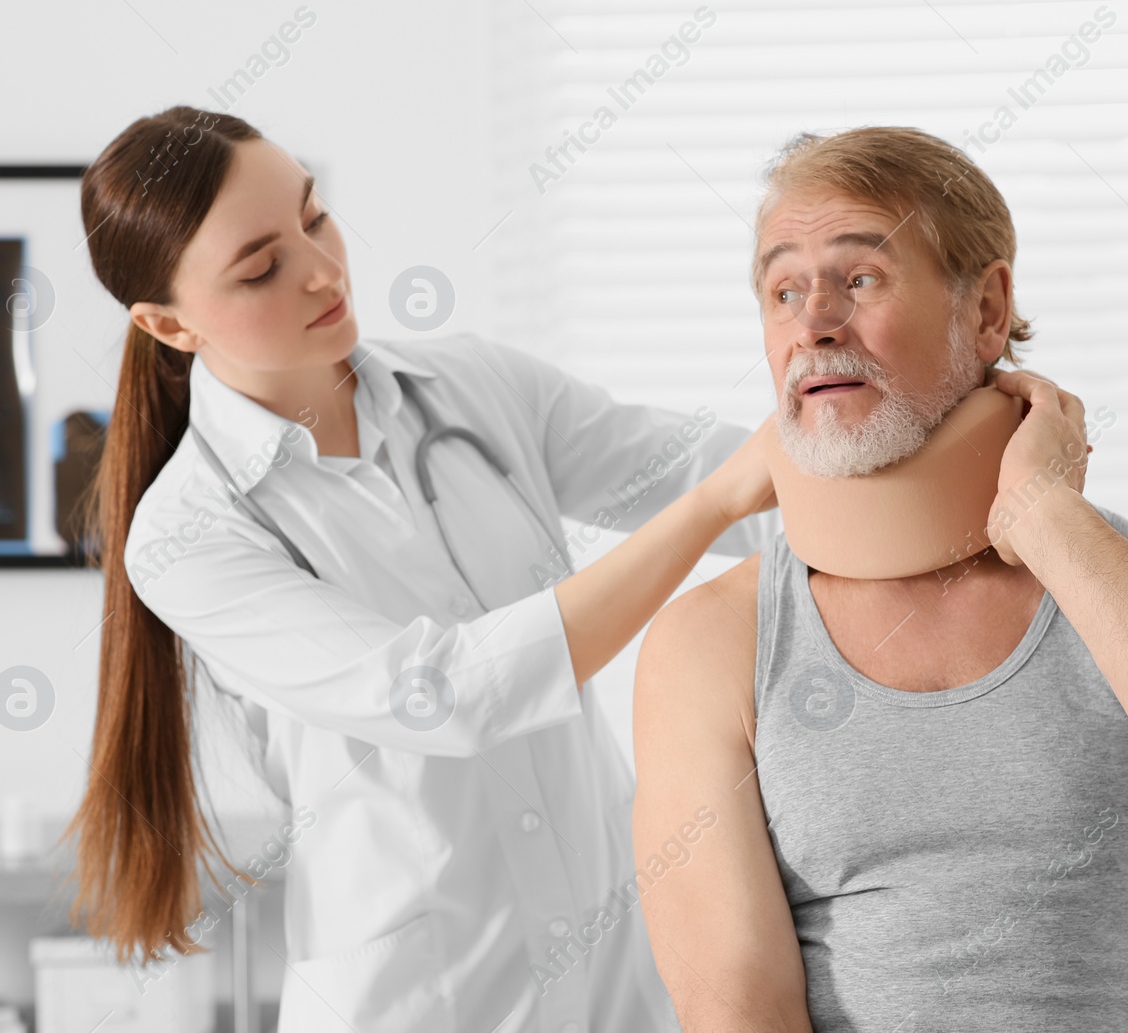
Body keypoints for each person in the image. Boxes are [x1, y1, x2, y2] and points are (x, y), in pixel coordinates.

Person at [62, 105, 780, 1032]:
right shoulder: (188, 536)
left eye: (314, 217)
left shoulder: (475, 387)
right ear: (169, 323)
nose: (322, 268)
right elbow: (441, 693)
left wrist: (914, 449)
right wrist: (712, 508)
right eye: (261, 268)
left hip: (618, 982)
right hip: (425, 1000)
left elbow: (714, 473)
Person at [631, 126, 1128, 1032]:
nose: (813, 323)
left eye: (859, 280)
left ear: (986, 310)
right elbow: (738, 1011)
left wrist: (1046, 519)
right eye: (783, 290)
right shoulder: (715, 642)